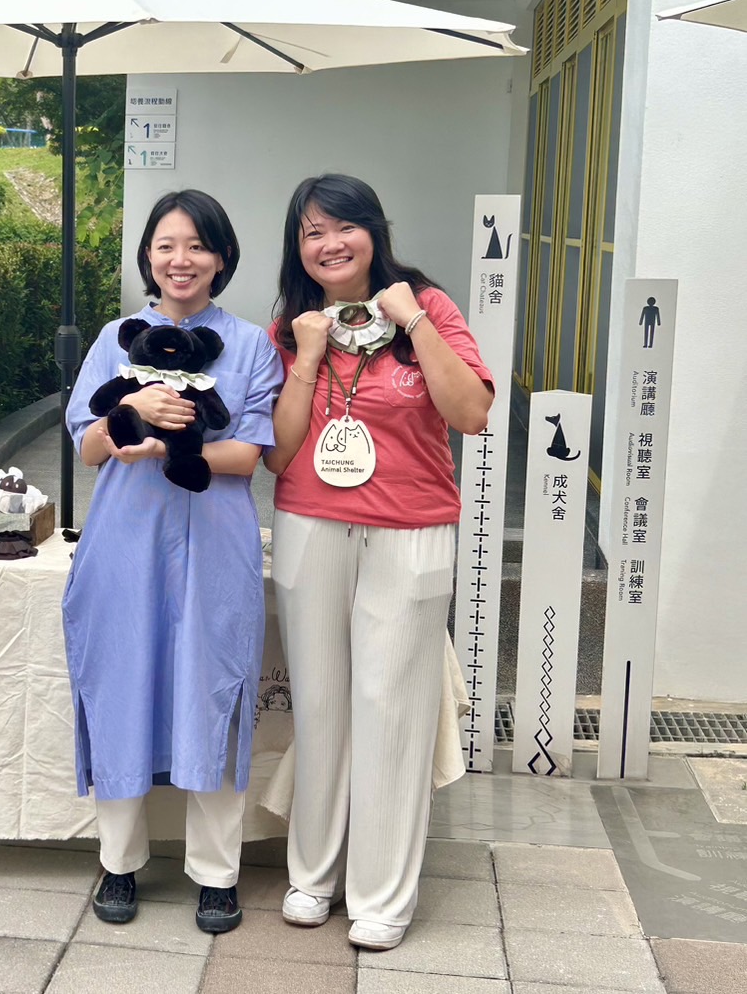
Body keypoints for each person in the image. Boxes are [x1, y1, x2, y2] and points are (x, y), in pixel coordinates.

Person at [263, 174, 493, 951]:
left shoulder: (426, 305)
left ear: (374, 230)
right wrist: (305, 356)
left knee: (391, 708)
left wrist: (413, 322)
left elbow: (471, 413)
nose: (328, 244)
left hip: (410, 529)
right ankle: (312, 876)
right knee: (321, 704)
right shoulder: (295, 324)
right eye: (310, 232)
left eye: (342, 226)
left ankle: (383, 894)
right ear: (298, 248)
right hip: (309, 525)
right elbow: (279, 453)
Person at [62, 189, 283, 935]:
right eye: (164, 245)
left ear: (220, 257)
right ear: (146, 256)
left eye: (195, 245)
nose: (178, 259)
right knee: (121, 683)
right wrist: (131, 416)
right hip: (123, 544)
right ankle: (118, 863)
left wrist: (166, 442)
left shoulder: (250, 344)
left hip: (213, 548)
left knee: (209, 693)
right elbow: (88, 444)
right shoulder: (115, 336)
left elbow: (246, 453)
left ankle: (215, 874)